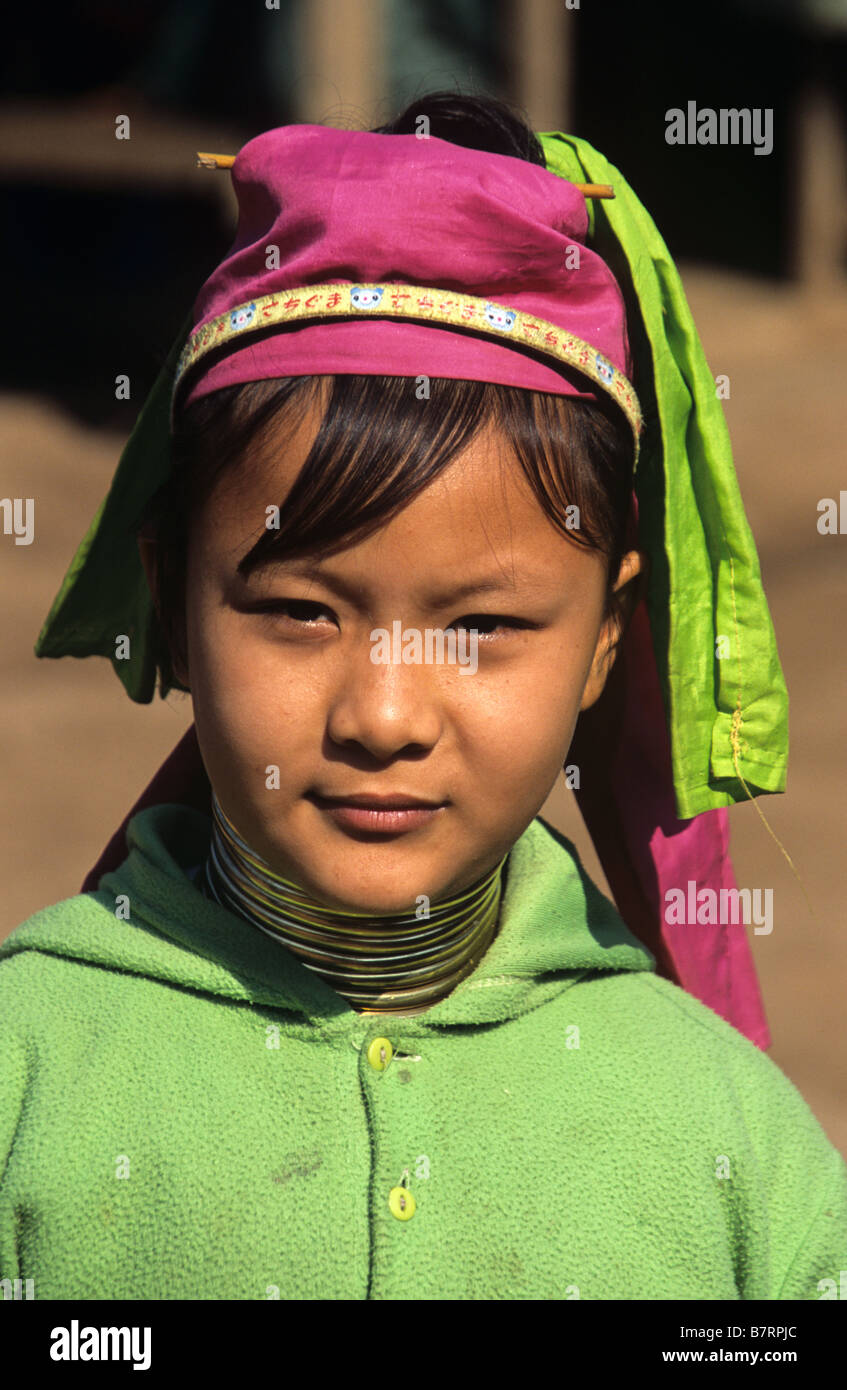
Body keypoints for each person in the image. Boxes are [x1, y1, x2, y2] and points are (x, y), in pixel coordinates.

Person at [2, 92, 844, 1300]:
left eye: (484, 627)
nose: (384, 717)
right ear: (174, 599)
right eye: (300, 611)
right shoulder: (27, 1070)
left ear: (607, 636)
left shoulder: (731, 1147)